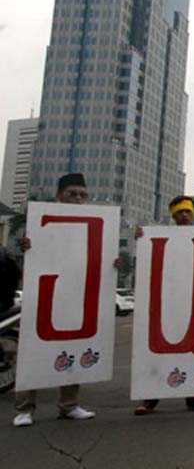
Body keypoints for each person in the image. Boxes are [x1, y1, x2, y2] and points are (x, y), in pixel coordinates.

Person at [13, 173, 98, 427]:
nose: (78, 199)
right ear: (59, 195)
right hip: (44, 295)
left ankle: (69, 405)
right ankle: (24, 409)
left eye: (83, 195)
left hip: (75, 296)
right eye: (72, 194)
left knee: (74, 347)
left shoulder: (93, 225)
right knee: (33, 350)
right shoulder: (41, 223)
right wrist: (27, 246)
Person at [133, 195, 194, 416]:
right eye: (180, 212)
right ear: (173, 215)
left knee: (193, 350)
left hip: (192, 297)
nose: (184, 215)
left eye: (187, 211)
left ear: (193, 214)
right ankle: (150, 397)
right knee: (160, 351)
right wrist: (140, 239)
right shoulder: (158, 237)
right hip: (168, 296)